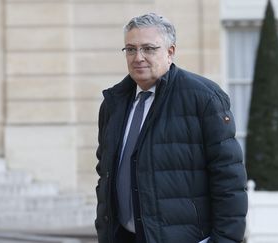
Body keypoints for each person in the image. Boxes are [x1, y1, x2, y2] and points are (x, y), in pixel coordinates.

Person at [95, 12, 247, 243]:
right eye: (131, 49)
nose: (138, 57)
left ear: (170, 52)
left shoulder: (204, 98)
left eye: (148, 48)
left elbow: (229, 180)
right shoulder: (113, 103)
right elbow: (105, 175)